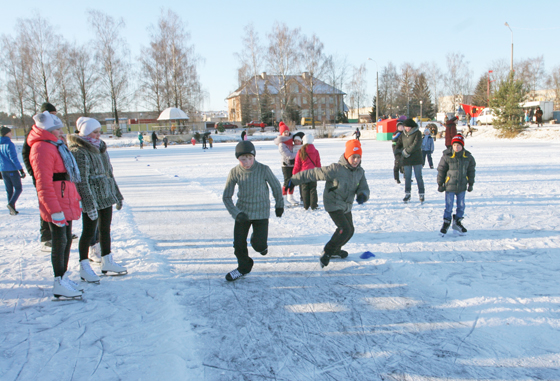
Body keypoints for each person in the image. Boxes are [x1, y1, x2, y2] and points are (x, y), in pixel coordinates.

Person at [28, 111, 84, 299]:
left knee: (66, 240)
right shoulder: (41, 148)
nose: (61, 132)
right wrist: (54, 210)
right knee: (59, 242)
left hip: (65, 197)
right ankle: (58, 281)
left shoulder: (56, 145)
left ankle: (63, 276)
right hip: (56, 201)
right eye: (58, 129)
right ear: (48, 130)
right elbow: (43, 182)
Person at [289, 139, 369, 268]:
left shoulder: (360, 172)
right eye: (353, 157)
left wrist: (363, 195)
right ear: (347, 156)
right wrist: (294, 179)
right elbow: (314, 173)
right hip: (333, 203)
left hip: (346, 204)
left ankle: (336, 250)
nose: (356, 160)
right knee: (344, 228)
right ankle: (328, 251)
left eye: (358, 157)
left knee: (350, 230)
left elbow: (364, 187)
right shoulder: (335, 169)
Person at [68, 117, 127, 283]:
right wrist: (88, 203)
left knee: (105, 230)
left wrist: (116, 194)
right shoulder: (79, 151)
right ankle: (84, 266)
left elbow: (109, 174)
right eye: (94, 132)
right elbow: (82, 180)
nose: (98, 135)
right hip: (92, 198)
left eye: (99, 132)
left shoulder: (101, 149)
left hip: (105, 195)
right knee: (88, 232)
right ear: (85, 132)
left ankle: (107, 260)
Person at [222, 141, 284, 281]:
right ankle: (244, 267)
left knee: (259, 245)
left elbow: (276, 187)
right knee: (238, 244)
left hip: (261, 212)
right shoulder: (235, 172)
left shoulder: (264, 169)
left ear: (254, 156)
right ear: (238, 159)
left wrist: (279, 205)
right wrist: (236, 213)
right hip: (242, 213)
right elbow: (226, 196)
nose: (247, 162)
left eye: (250, 158)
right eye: (243, 159)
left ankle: (258, 243)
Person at [437, 134, 476, 236]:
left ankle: (457, 222)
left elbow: (471, 171)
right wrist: (440, 183)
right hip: (450, 185)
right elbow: (441, 170)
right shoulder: (447, 156)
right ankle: (446, 222)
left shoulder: (468, 157)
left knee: (461, 205)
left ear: (462, 146)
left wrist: (471, 183)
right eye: (454, 145)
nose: (456, 147)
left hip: (462, 185)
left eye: (459, 146)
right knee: (449, 206)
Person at [396, 118, 425, 203]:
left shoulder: (417, 133)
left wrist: (406, 151)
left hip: (416, 158)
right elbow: (398, 144)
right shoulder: (403, 134)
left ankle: (421, 193)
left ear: (412, 127)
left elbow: (416, 144)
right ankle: (407, 193)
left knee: (418, 177)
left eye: (408, 127)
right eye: (405, 127)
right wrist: (398, 151)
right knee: (407, 177)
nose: (407, 129)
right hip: (406, 159)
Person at [1, 126, 26, 215]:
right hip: (12, 169)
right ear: (6, 133)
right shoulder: (9, 144)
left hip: (3, 170)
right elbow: (13, 158)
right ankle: (11, 204)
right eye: (10, 132)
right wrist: (21, 169)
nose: (11, 134)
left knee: (9, 189)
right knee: (18, 188)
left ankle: (12, 209)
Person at [292, 133, 321, 210]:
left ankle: (306, 205)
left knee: (304, 189)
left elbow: (297, 164)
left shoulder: (300, 151)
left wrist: (295, 174)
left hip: (303, 174)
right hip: (313, 173)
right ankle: (314, 205)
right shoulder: (316, 151)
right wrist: (319, 173)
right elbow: (318, 163)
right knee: (313, 189)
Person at [274, 122, 299, 206]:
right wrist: (299, 153)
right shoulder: (282, 144)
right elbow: (289, 155)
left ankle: (290, 197)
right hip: (286, 165)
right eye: (284, 132)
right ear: (281, 133)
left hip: (293, 164)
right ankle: (283, 198)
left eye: (287, 132)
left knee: (293, 181)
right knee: (287, 181)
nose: (286, 133)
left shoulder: (291, 141)